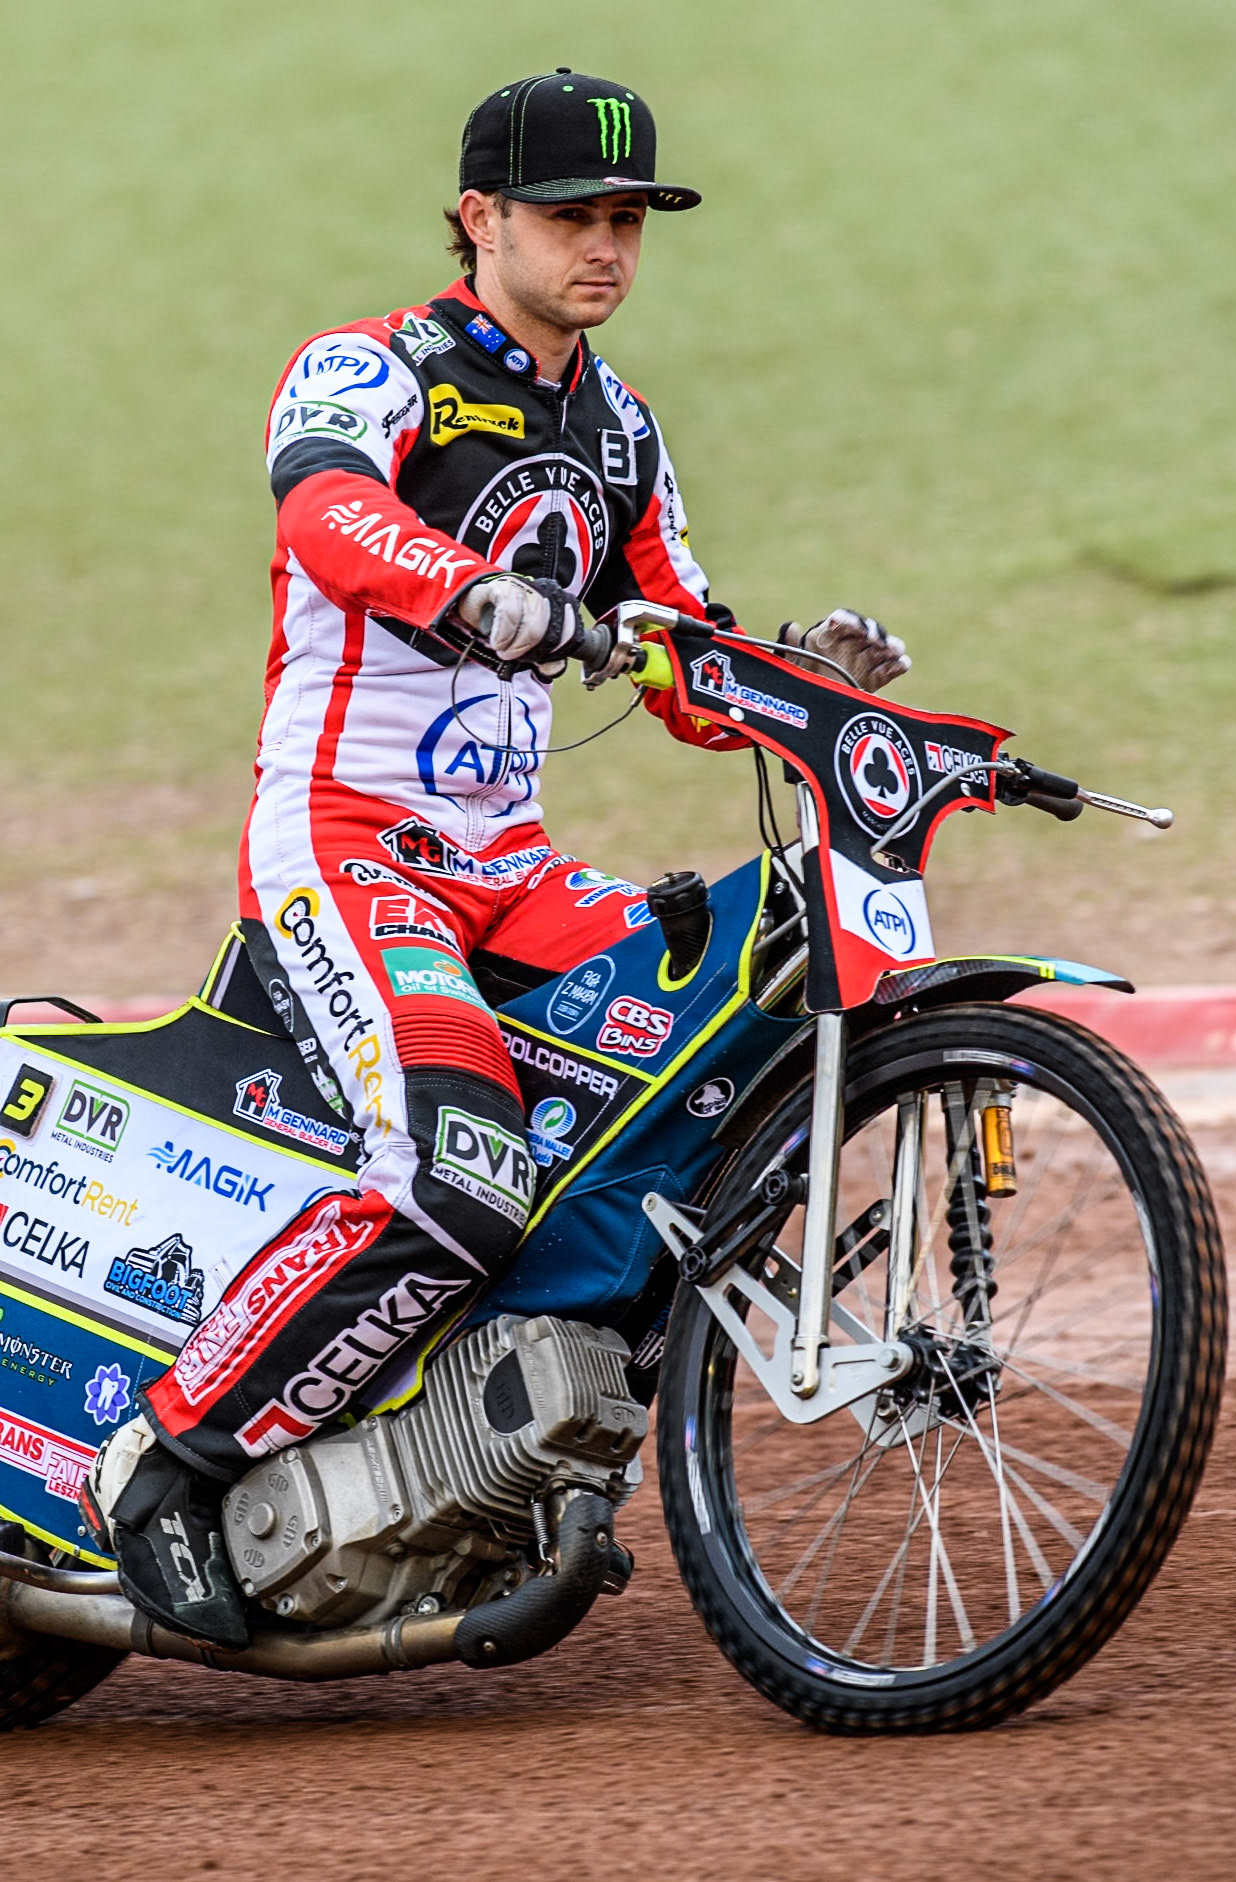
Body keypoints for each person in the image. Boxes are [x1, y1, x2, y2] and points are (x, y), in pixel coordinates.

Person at [80, 69, 910, 1648]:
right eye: (570, 217)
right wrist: (479, 594)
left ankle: (511, 1430)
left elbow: (680, 662)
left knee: (702, 1036)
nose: (606, 246)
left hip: (512, 866)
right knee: (460, 1174)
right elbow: (324, 513)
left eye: (627, 221)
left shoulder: (621, 428)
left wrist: (799, 677)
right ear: (481, 218)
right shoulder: (366, 365)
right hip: (343, 847)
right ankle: (171, 1465)